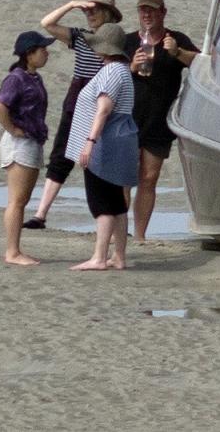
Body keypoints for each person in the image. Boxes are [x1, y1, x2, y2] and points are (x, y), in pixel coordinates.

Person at [22, 0, 123, 230]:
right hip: (77, 98)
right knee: (61, 156)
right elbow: (47, 24)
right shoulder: (80, 36)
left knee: (105, 162)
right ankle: (40, 214)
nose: (89, 14)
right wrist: (71, 4)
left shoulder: (119, 39)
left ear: (108, 13)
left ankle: (113, 219)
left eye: (94, 10)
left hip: (103, 100)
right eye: (86, 10)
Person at [124, 0, 199, 241]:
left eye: (152, 10)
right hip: (129, 118)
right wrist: (131, 68)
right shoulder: (128, 41)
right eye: (142, 10)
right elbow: (108, 73)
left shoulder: (175, 39)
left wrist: (177, 52)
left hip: (158, 120)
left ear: (163, 13)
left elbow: (201, 64)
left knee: (149, 177)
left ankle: (140, 235)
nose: (146, 15)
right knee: (124, 175)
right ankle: (117, 231)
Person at [66, 23, 138, 271]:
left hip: (106, 143)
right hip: (121, 140)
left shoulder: (110, 72)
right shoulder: (123, 70)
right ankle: (119, 256)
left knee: (102, 202)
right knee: (116, 202)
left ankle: (99, 257)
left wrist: (89, 142)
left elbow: (104, 109)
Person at [0, 31, 55, 266]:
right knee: (17, 200)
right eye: (42, 49)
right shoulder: (16, 78)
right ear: (29, 54)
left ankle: (14, 249)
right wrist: (13, 129)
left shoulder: (33, 77)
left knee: (22, 199)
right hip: (20, 143)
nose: (47, 53)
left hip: (32, 141)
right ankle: (12, 251)